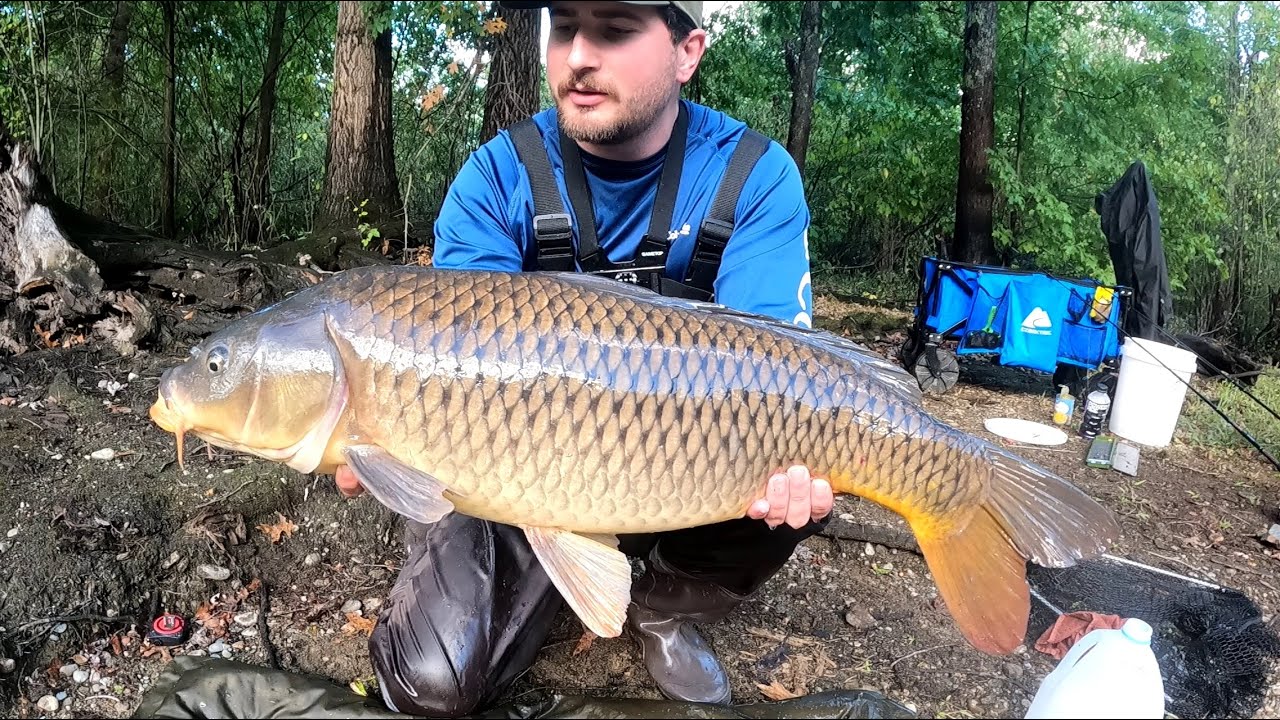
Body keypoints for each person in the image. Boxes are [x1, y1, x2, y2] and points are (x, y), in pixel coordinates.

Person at [333, 1, 833, 715]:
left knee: (806, 455)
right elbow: (453, 377)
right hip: (520, 462)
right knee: (434, 683)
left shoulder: (751, 176)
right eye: (564, 27)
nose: (577, 56)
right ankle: (575, 576)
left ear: (688, 51)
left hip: (693, 460)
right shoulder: (498, 178)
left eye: (615, 29)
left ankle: (661, 600)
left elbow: (780, 375)